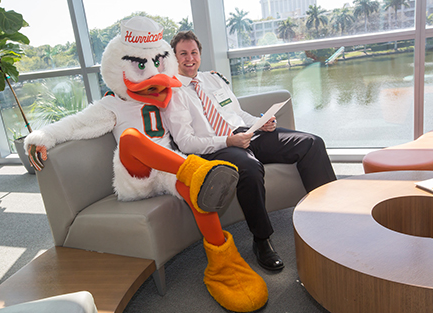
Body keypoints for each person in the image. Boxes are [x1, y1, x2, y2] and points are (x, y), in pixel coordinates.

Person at [25, 17, 268, 313]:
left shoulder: (169, 96)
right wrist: (44, 136)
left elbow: (192, 113)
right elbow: (77, 124)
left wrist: (211, 88)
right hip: (136, 176)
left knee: (198, 191)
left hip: (168, 171)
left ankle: (224, 266)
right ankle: (197, 172)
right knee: (130, 138)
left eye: (157, 63)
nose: (152, 74)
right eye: (141, 65)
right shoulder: (113, 104)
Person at [165, 30, 337, 271]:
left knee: (312, 142)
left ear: (200, 54)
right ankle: (262, 240)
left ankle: (329, 216)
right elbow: (186, 142)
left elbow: (236, 113)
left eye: (194, 52)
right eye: (183, 54)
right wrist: (228, 141)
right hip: (216, 147)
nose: (189, 58)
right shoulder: (172, 93)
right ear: (174, 58)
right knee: (250, 168)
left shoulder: (213, 79)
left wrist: (262, 121)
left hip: (246, 132)